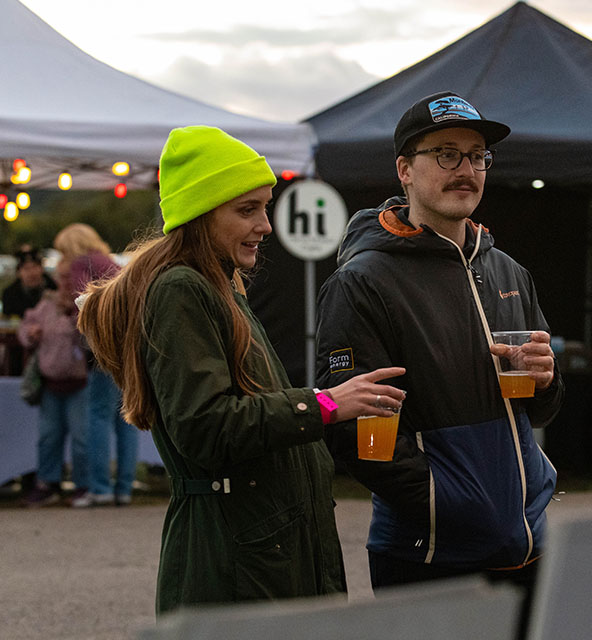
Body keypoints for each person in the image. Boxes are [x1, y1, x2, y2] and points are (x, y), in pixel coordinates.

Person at [76, 125, 407, 614]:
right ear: (201, 215)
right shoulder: (181, 290)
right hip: (236, 563)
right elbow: (204, 427)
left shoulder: (220, 286)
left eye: (265, 207)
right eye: (246, 209)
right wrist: (324, 404)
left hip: (262, 555)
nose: (266, 225)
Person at [315, 91, 564, 598]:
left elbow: (540, 411)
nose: (466, 169)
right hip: (427, 553)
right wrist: (442, 501)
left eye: (477, 156)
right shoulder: (363, 281)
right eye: (446, 154)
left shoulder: (507, 270)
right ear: (405, 170)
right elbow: (360, 431)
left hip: (524, 543)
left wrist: (546, 378)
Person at [53, 223, 137, 507]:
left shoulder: (81, 263)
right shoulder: (110, 262)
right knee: (127, 420)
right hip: (128, 350)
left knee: (98, 418)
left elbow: (82, 307)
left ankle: (99, 487)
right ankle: (124, 488)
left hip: (101, 352)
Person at [17, 259, 90, 507]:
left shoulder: (83, 304)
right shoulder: (46, 304)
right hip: (50, 384)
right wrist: (30, 333)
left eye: (68, 276)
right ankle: (47, 483)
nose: (64, 282)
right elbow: (25, 327)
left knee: (81, 438)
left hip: (79, 384)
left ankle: (83, 484)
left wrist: (73, 316)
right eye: (60, 277)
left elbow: (90, 339)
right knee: (48, 437)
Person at [2, 248, 57, 375]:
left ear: (41, 268)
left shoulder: (53, 288)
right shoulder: (10, 293)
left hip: (50, 348)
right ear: (19, 272)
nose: (31, 273)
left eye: (35, 267)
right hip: (18, 350)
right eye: (26, 269)